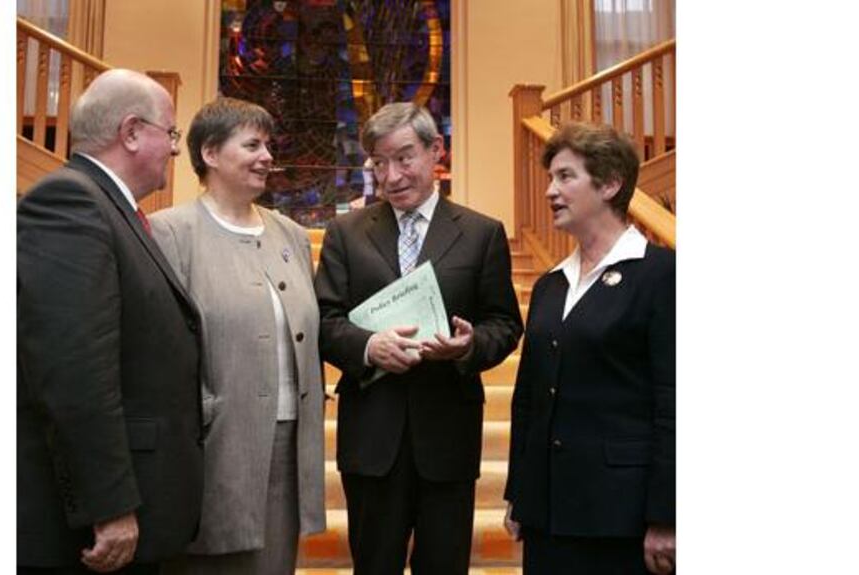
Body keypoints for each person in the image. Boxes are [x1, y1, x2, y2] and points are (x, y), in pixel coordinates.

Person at [315, 102, 524, 574]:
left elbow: (505, 324)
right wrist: (369, 347)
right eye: (378, 162)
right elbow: (325, 322)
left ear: (436, 151)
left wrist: (468, 346)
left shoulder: (481, 234)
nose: (391, 176)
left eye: (404, 157)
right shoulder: (345, 233)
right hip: (371, 438)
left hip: (447, 434)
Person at [17, 69, 204, 574]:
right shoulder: (71, 204)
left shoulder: (110, 207)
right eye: (170, 133)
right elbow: (73, 369)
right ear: (131, 132)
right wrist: (109, 505)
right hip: (89, 527)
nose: (173, 149)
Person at [149, 97, 326, 574]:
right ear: (210, 153)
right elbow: (160, 353)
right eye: (252, 144)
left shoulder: (290, 234)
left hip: (289, 445)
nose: (267, 156)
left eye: (268, 145)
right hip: (213, 448)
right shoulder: (170, 233)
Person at [502, 122, 676, 574]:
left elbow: (675, 405)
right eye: (550, 178)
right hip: (549, 513)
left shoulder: (663, 276)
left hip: (623, 516)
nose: (549, 191)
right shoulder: (549, 285)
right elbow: (528, 400)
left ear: (611, 184)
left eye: (565, 177)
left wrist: (668, 515)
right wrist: (519, 494)